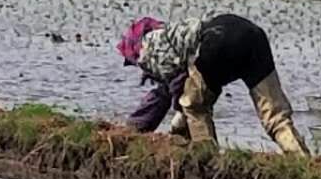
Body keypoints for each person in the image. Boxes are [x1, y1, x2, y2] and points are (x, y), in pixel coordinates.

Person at [118, 12, 309, 154]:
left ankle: (207, 158)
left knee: (194, 105)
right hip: (253, 37)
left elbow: (167, 92)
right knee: (275, 116)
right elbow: (174, 86)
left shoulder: (149, 49)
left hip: (219, 41)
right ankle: (302, 160)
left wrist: (133, 130)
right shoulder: (173, 34)